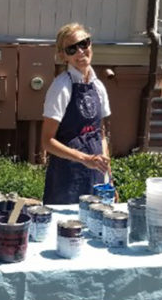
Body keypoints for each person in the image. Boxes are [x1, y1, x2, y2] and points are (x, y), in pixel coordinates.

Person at [42, 23, 111, 205]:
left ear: (90, 45)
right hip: (67, 177)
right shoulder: (61, 87)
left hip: (95, 177)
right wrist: (84, 159)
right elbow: (47, 141)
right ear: (63, 56)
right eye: (72, 49)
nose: (80, 52)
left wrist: (109, 178)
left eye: (84, 43)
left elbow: (100, 133)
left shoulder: (98, 87)